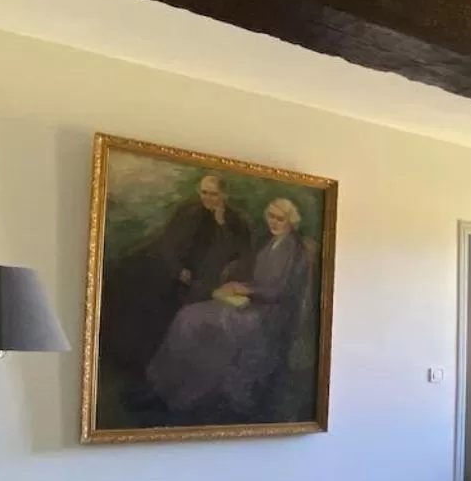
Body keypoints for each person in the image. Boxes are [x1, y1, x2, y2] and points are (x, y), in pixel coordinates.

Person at [146, 197, 313, 421]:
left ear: (291, 221)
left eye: (280, 218)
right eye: (271, 217)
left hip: (268, 314)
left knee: (201, 321)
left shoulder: (293, 249)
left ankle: (186, 392)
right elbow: (255, 276)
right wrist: (236, 285)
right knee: (188, 315)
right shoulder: (270, 242)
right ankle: (165, 383)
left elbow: (277, 292)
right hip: (251, 303)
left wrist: (244, 290)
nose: (274, 222)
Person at [101, 172, 254, 377]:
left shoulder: (235, 222)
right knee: (132, 282)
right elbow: (168, 243)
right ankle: (128, 361)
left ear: (224, 195)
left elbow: (235, 255)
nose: (208, 198)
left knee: (172, 307)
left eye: (214, 194)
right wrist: (178, 269)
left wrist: (221, 223)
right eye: (204, 193)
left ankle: (160, 370)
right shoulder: (188, 211)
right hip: (174, 269)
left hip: (204, 279)